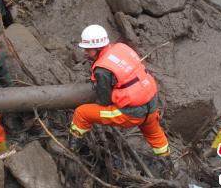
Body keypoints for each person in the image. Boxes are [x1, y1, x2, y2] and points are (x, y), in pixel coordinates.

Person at [68, 24, 170, 157]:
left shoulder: (102, 69)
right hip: (151, 107)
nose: (85, 52)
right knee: (154, 134)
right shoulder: (121, 48)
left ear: (98, 48)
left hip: (130, 115)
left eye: (88, 49)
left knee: (81, 113)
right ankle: (168, 162)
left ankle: (72, 150)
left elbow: (105, 100)